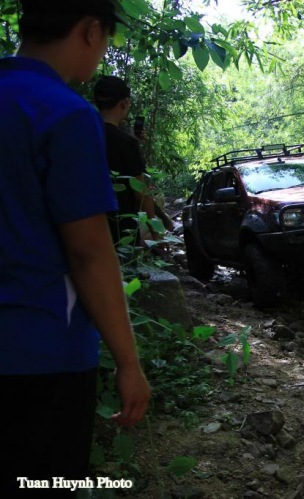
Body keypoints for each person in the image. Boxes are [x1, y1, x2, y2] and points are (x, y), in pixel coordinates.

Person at [0, 0, 151, 495]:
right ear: (90, 31)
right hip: (41, 350)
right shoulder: (63, 113)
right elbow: (89, 251)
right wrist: (128, 364)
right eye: (105, 41)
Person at [93, 75, 162, 247]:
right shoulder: (126, 144)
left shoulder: (79, 134)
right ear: (124, 102)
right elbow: (140, 192)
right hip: (120, 232)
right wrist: (156, 232)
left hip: (85, 227)